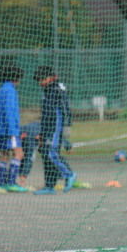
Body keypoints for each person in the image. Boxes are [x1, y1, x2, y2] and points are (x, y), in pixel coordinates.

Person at [31, 66, 76, 195]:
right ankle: (50, 186)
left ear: (50, 78)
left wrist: (67, 125)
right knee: (45, 154)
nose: (40, 83)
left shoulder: (57, 89)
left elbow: (65, 108)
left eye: (42, 79)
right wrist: (42, 132)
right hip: (47, 127)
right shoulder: (47, 90)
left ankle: (69, 174)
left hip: (55, 127)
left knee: (51, 153)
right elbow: (46, 114)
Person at [0, 65, 28, 193]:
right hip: (9, 131)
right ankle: (11, 183)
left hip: (0, 130)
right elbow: (9, 111)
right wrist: (13, 131)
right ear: (16, 79)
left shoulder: (1, 90)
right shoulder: (10, 91)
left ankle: (1, 185)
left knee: (4, 156)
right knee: (19, 154)